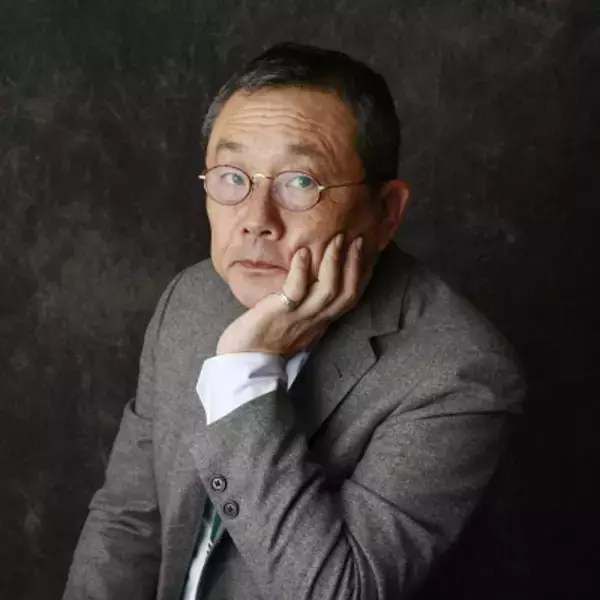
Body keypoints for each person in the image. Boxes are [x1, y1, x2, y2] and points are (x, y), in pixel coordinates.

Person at [63, 42, 524, 600]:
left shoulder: (460, 374)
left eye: (300, 182)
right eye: (232, 176)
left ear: (385, 213)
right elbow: (128, 521)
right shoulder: (190, 299)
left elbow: (337, 590)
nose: (256, 220)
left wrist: (243, 372)